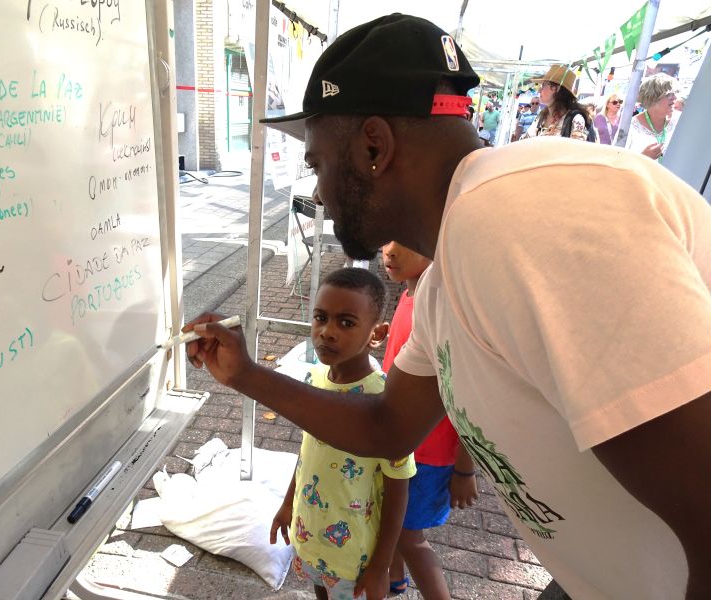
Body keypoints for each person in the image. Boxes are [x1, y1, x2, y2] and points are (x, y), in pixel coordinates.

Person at [187, 14, 711, 600]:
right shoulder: (448, 272)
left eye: (318, 165)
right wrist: (245, 375)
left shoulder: (523, 219)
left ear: (373, 146)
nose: (319, 193)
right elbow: (389, 426)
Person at [270, 267, 416, 600]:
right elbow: (307, 452)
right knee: (320, 590)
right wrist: (288, 502)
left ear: (377, 334)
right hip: (311, 533)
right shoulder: (315, 379)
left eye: (346, 323)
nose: (327, 332)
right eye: (320, 318)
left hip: (354, 556)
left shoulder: (384, 402)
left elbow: (398, 488)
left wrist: (382, 564)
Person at [381, 241, 478, 598]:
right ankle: (394, 579)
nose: (390, 251)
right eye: (387, 240)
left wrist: (465, 469)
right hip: (400, 442)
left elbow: (468, 397)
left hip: (429, 455)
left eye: (404, 241)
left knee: (410, 537)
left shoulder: (442, 306)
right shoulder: (410, 294)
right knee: (390, 520)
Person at [521, 64, 593, 141]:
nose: (539, 90)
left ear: (556, 88)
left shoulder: (575, 119)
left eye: (543, 85)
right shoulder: (542, 117)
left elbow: (577, 147)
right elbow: (525, 140)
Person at [625, 73, 681, 162]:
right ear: (653, 98)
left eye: (675, 93)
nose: (675, 97)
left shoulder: (682, 121)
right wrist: (643, 158)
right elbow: (619, 162)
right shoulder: (630, 127)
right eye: (669, 94)